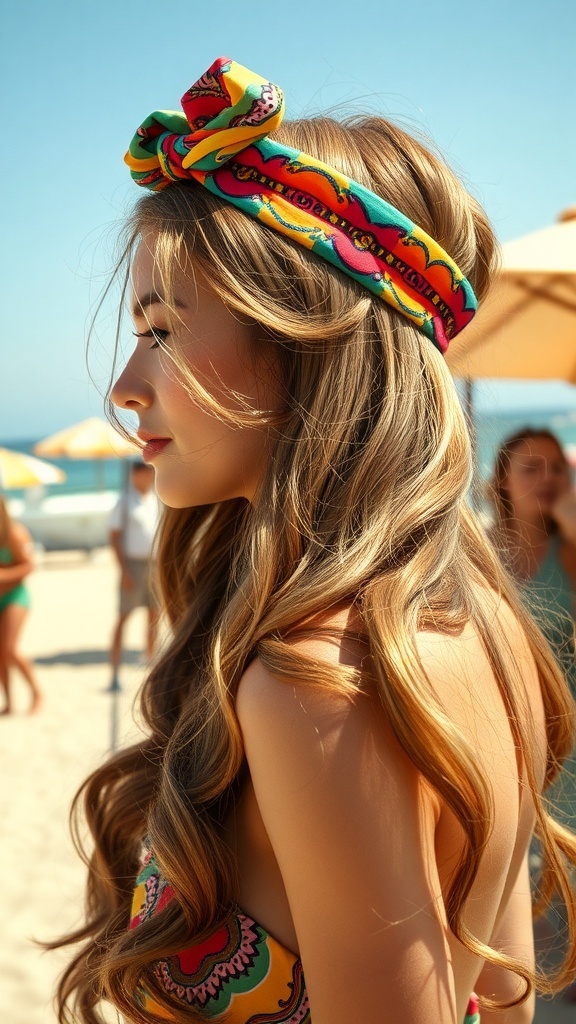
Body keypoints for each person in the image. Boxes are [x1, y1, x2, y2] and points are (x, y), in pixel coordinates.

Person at [52, 58, 576, 1023]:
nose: (126, 383)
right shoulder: (484, 630)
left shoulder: (311, 681)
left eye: (161, 328)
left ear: (309, 342)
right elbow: (503, 1000)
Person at [489, 428, 576, 690]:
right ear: (504, 479)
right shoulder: (476, 551)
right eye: (532, 468)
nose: (548, 477)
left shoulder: (569, 549)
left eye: (558, 468)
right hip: (499, 710)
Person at [108, 459, 160, 686]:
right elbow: (114, 538)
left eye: (149, 470)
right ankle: (115, 671)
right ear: (134, 474)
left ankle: (150, 661)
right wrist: (125, 571)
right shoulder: (124, 502)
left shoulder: (157, 498)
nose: (146, 475)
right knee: (124, 616)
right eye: (141, 471)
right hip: (133, 565)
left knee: (154, 615)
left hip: (156, 564)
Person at [0, 496, 42, 713]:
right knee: (0, 654)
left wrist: (3, 575)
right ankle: (8, 702)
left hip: (15, 596)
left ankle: (36, 692)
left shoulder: (14, 533)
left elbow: (29, 566)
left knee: (10, 650)